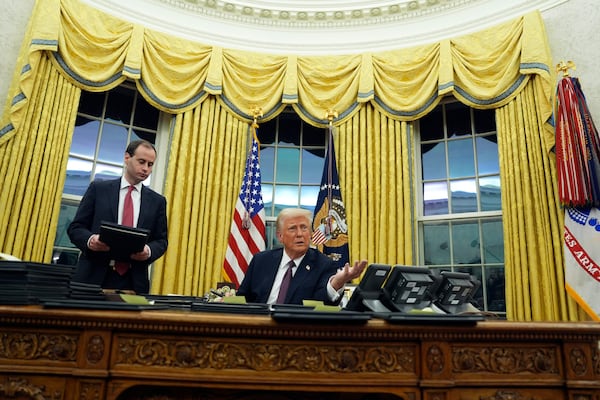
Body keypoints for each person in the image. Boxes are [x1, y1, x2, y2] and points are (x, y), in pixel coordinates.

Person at [68, 139, 168, 294]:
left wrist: (148, 250)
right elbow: (75, 228)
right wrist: (90, 240)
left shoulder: (157, 201)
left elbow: (161, 241)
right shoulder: (98, 189)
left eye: (150, 164)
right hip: (92, 277)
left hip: (134, 281)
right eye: (141, 162)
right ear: (127, 158)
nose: (145, 169)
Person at [237, 208, 367, 305]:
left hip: (298, 332)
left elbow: (323, 303)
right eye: (293, 228)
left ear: (310, 233)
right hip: (258, 329)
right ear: (280, 236)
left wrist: (337, 283)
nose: (300, 234)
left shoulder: (323, 264)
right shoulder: (261, 261)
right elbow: (242, 299)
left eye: (304, 228)